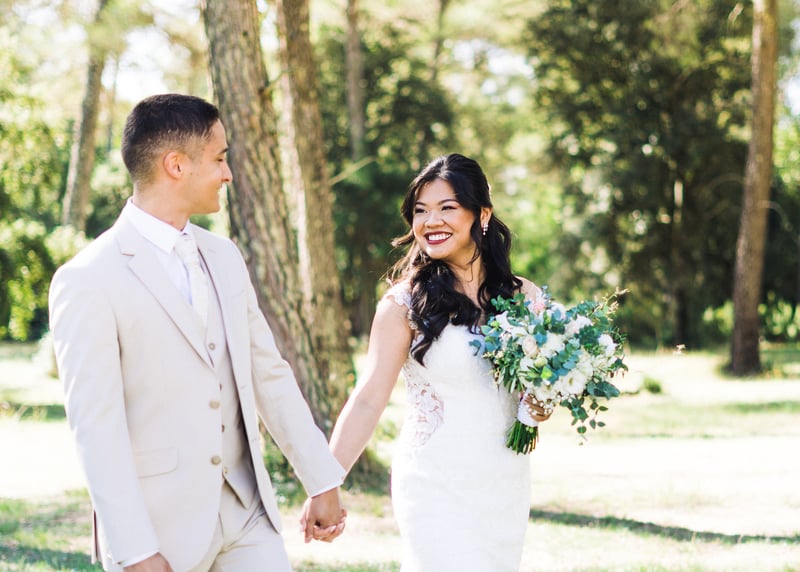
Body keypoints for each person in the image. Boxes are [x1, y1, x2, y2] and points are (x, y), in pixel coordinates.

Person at [49, 93, 346, 572]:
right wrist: (135, 549)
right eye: (219, 158)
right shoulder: (88, 279)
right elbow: (96, 428)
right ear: (176, 165)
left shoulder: (224, 256)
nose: (228, 174)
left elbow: (269, 373)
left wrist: (321, 479)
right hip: (159, 528)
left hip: (247, 515)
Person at [316, 153, 552, 571]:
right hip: (433, 481)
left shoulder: (525, 298)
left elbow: (536, 389)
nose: (431, 221)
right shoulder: (403, 304)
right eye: (421, 211)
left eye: (447, 208)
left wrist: (541, 403)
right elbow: (368, 398)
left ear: (482, 215)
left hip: (504, 481)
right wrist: (327, 482)